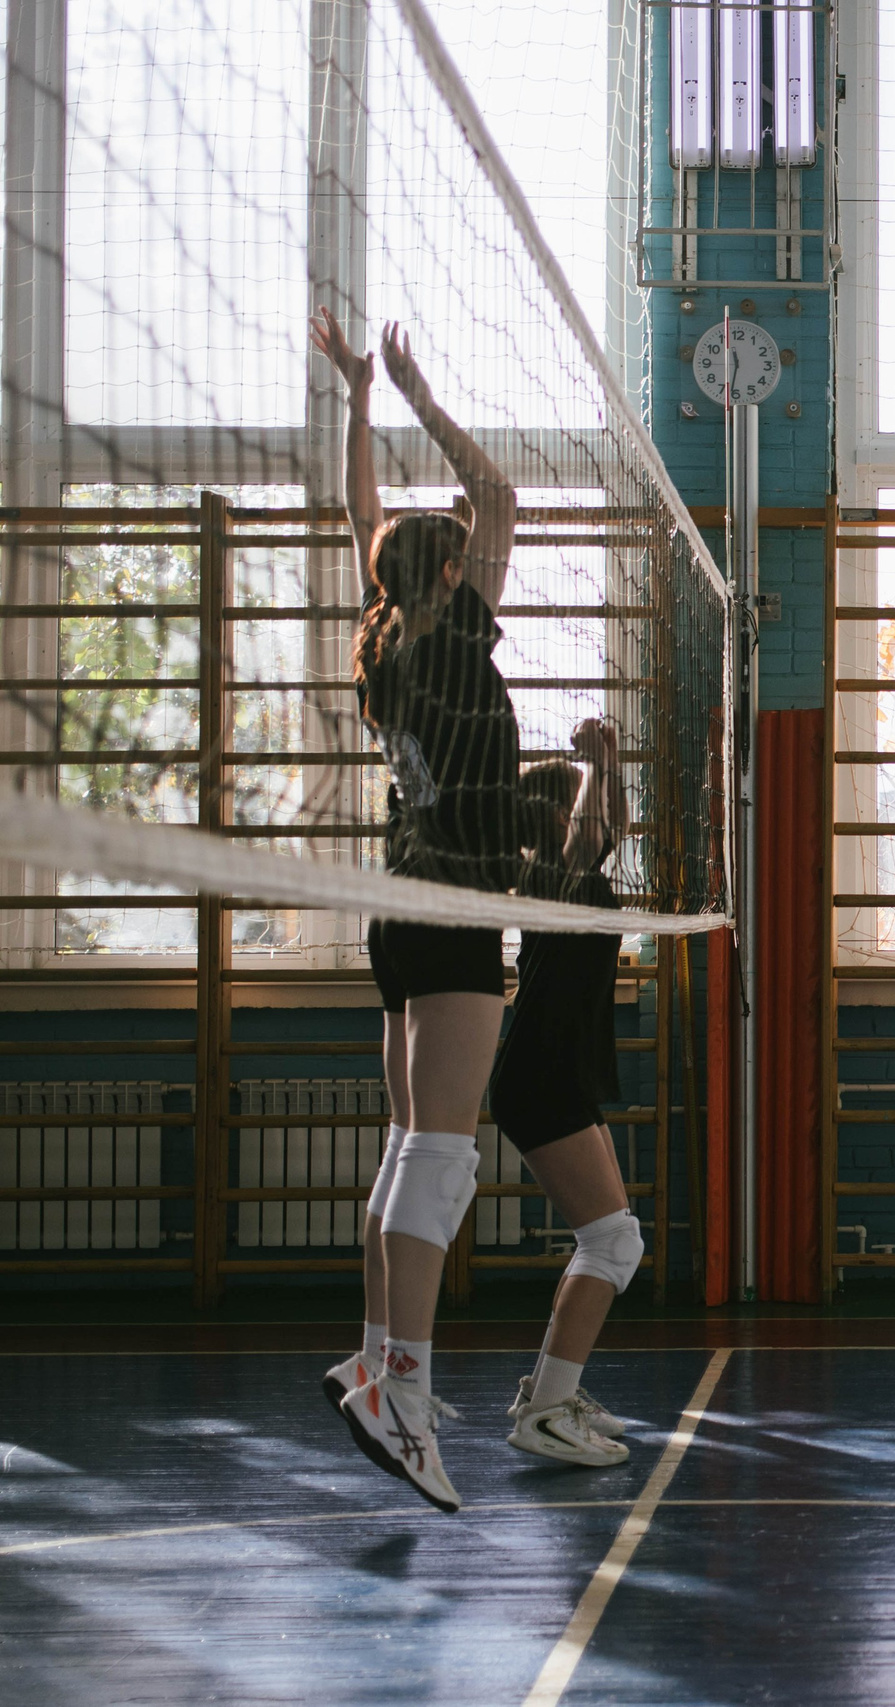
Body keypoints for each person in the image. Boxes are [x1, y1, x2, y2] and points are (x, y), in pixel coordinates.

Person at [311, 307, 520, 1514]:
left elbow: (361, 519)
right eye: (465, 558)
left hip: (402, 909)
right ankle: (402, 1390)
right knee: (440, 1158)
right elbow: (493, 492)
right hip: (447, 912)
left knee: (410, 1149)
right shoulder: (447, 650)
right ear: (452, 574)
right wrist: (417, 393)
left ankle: (382, 1364)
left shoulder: (384, 638)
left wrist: (356, 402)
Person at [491, 724, 642, 1468]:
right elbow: (597, 827)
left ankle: (548, 1391)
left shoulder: (562, 872)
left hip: (556, 1072)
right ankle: (547, 1411)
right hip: (542, 1073)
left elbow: (606, 824)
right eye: (577, 805)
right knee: (615, 1241)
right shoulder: (553, 874)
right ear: (556, 818)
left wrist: (601, 767)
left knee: (607, 1238)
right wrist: (600, 761)